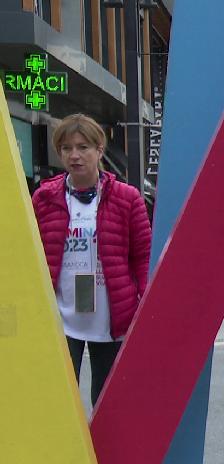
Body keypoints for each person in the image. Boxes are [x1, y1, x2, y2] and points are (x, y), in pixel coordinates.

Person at [32, 113, 152, 407]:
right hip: (61, 316)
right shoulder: (44, 198)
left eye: (83, 147)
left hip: (111, 317)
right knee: (58, 400)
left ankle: (104, 454)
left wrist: (142, 306)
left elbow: (143, 257)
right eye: (67, 148)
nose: (75, 155)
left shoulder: (128, 198)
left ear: (100, 150)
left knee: (107, 402)